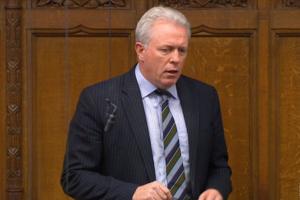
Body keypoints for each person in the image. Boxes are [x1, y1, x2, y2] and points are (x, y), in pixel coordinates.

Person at [61, 6, 232, 200]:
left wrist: (216, 189)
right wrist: (131, 193)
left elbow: (219, 167)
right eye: (166, 50)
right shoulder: (98, 99)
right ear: (140, 50)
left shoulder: (204, 97)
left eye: (182, 50)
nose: (175, 59)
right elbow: (74, 177)